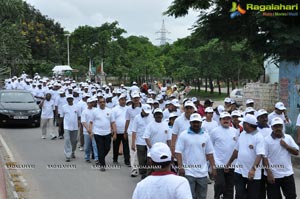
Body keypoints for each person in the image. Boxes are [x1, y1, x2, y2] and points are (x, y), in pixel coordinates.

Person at [175, 113, 217, 199]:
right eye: (194, 122)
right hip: (188, 171)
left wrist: (213, 167)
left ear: (201, 123)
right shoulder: (183, 135)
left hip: (203, 172)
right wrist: (180, 167)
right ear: (190, 123)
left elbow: (210, 153)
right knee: (190, 196)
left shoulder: (206, 136)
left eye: (198, 122)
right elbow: (178, 152)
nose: (196, 124)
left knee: (202, 196)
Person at [226, 114, 265, 199]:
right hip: (239, 171)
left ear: (247, 124)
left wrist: (253, 169)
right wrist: (229, 163)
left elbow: (260, 155)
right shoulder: (243, 133)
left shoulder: (259, 137)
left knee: (252, 196)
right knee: (239, 195)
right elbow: (236, 150)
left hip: (253, 173)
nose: (241, 124)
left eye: (243, 123)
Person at [263, 117, 299, 199]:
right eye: (275, 126)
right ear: (272, 127)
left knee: (291, 196)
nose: (278, 128)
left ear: (282, 127)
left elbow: (296, 152)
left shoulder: (288, 138)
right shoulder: (266, 140)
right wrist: (269, 173)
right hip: (273, 176)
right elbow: (264, 158)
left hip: (287, 174)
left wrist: (286, 146)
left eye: (279, 126)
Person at [210, 112, 239, 199]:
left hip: (232, 164)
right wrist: (211, 165)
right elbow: (210, 148)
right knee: (220, 184)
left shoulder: (235, 131)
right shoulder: (214, 131)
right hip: (218, 163)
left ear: (230, 120)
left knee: (230, 187)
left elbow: (237, 148)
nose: (226, 120)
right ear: (220, 120)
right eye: (224, 119)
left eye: (228, 119)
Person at [89, 97, 117, 171]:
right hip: (98, 133)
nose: (102, 103)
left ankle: (101, 158)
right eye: (100, 102)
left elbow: (113, 122)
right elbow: (91, 122)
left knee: (107, 148)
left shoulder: (110, 111)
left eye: (103, 102)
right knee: (100, 148)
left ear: (105, 102)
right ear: (98, 103)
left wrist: (115, 133)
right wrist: (91, 132)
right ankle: (102, 165)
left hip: (107, 133)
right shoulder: (95, 112)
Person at [131, 104, 154, 179]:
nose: (147, 113)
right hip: (140, 141)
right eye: (145, 111)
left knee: (149, 158)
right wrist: (133, 143)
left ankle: (147, 174)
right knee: (141, 160)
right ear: (142, 110)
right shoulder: (137, 118)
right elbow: (134, 131)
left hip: (149, 141)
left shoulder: (151, 117)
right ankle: (142, 172)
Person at [111, 94, 130, 165]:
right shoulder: (114, 109)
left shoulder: (128, 109)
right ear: (119, 101)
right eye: (121, 100)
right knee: (115, 145)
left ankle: (127, 160)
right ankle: (115, 159)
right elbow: (112, 121)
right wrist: (113, 131)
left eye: (124, 100)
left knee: (126, 146)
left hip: (126, 131)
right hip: (117, 131)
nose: (123, 101)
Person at [61, 95, 81, 162]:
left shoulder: (77, 107)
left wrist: (79, 123)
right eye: (68, 99)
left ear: (73, 99)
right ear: (66, 100)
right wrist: (60, 127)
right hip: (66, 126)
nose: (69, 100)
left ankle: (72, 152)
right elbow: (62, 117)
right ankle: (67, 155)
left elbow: (79, 116)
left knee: (74, 141)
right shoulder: (64, 107)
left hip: (75, 126)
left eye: (70, 99)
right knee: (67, 140)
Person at [81, 97, 98, 163]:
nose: (91, 104)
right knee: (87, 146)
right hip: (87, 131)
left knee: (95, 145)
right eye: (90, 103)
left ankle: (97, 158)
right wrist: (88, 129)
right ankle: (87, 157)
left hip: (95, 131)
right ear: (87, 103)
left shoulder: (96, 110)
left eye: (92, 102)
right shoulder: (84, 111)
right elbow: (83, 121)